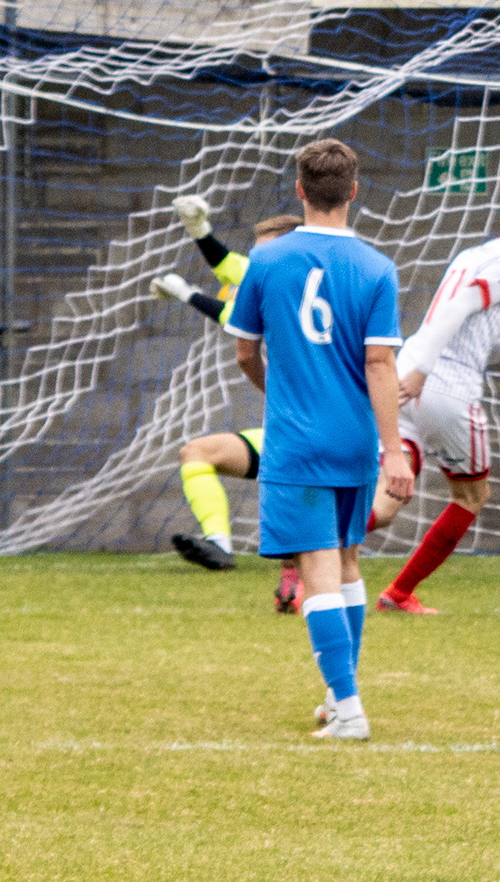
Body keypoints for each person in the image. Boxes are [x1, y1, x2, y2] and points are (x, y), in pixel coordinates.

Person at [219, 139, 404, 736]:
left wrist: (281, 390)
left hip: (297, 441)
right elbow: (380, 364)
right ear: (354, 191)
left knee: (318, 566)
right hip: (356, 441)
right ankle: (336, 695)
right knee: (347, 562)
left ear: (299, 190)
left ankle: (349, 710)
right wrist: (394, 450)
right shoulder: (378, 268)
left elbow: (245, 352)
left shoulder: (266, 260)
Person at [365, 189, 500, 615]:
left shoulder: (469, 255)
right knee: (471, 497)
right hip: (443, 389)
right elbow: (458, 309)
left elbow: (472, 345)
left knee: (385, 505)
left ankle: (305, 554)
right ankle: (399, 593)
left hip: (406, 377)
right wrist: (424, 372)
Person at [156, 205, 298, 574]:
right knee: (197, 452)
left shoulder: (298, 295)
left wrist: (188, 293)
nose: (256, 262)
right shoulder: (279, 281)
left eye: (265, 253)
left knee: (332, 531)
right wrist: (198, 230)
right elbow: (232, 269)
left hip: (329, 439)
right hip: (292, 434)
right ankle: (219, 544)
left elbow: (239, 325)